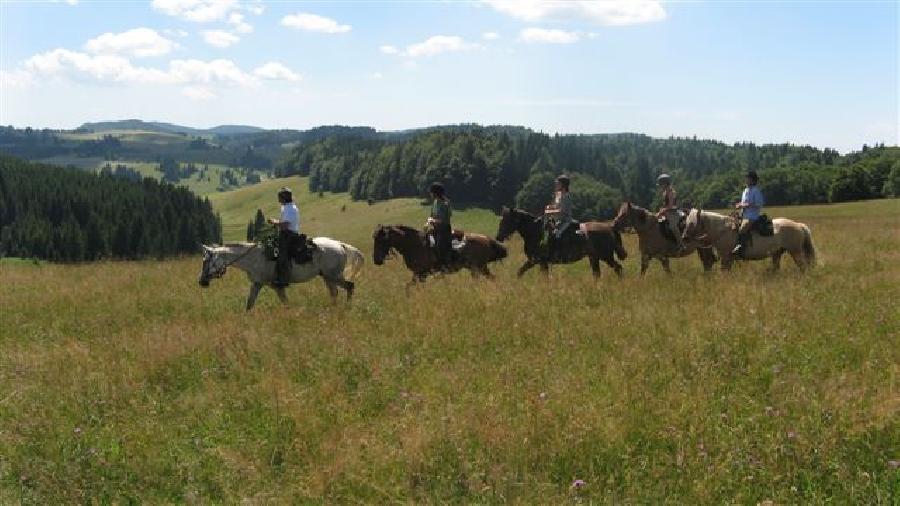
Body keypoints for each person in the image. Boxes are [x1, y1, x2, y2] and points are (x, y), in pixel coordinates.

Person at [267, 187, 305, 287]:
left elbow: (285, 225)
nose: (278, 199)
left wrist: (274, 222)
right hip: (285, 233)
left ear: (284, 198)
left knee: (282, 254)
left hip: (289, 234)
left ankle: (283, 280)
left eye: (279, 197)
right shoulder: (286, 207)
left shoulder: (290, 209)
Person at [732, 170, 764, 257]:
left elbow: (758, 204)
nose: (746, 180)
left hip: (752, 216)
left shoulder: (756, 191)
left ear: (753, 180)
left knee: (742, 229)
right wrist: (739, 205)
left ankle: (740, 248)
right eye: (746, 178)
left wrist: (743, 205)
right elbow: (744, 203)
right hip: (744, 215)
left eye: (748, 178)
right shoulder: (745, 190)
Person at [543, 174, 575, 256]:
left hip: (566, 220)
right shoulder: (558, 195)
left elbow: (562, 211)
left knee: (557, 234)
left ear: (563, 185)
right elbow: (555, 206)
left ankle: (558, 254)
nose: (556, 185)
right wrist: (548, 209)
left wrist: (549, 211)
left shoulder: (567, 196)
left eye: (558, 183)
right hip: (557, 220)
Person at [426, 182, 453, 270]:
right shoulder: (435, 202)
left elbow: (442, 221)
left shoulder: (445, 204)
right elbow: (431, 215)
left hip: (443, 230)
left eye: (431, 192)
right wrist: (427, 223)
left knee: (439, 246)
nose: (430, 194)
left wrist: (432, 221)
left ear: (435, 193)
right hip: (435, 228)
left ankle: (443, 266)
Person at [655, 173, 685, 251]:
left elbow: (671, 205)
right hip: (667, 212)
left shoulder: (671, 192)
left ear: (665, 184)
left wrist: (662, 211)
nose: (660, 186)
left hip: (673, 212)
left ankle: (681, 244)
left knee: (673, 226)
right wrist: (661, 210)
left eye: (661, 184)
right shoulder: (665, 192)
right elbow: (666, 205)